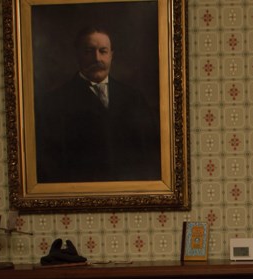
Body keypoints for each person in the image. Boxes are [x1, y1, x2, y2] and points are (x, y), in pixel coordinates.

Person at [35, 25, 161, 183]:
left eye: (103, 51)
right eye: (89, 51)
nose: (97, 58)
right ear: (78, 55)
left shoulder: (134, 98)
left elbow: (150, 153)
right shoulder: (54, 102)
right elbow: (49, 164)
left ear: (111, 55)